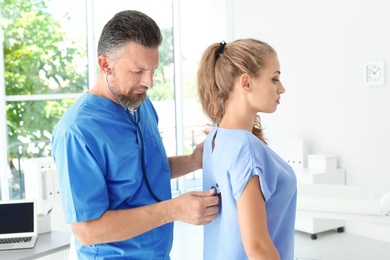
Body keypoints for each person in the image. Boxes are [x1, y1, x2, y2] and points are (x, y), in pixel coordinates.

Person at [51, 10, 219, 259]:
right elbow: (87, 231)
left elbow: (143, 172)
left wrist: (193, 161)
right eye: (138, 71)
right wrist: (173, 210)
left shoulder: (139, 103)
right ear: (105, 65)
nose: (149, 82)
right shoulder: (76, 132)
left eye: (153, 69)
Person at [197, 39, 297, 260]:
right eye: (274, 79)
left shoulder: (215, 137)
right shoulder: (246, 148)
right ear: (246, 83)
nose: (282, 88)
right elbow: (258, 247)